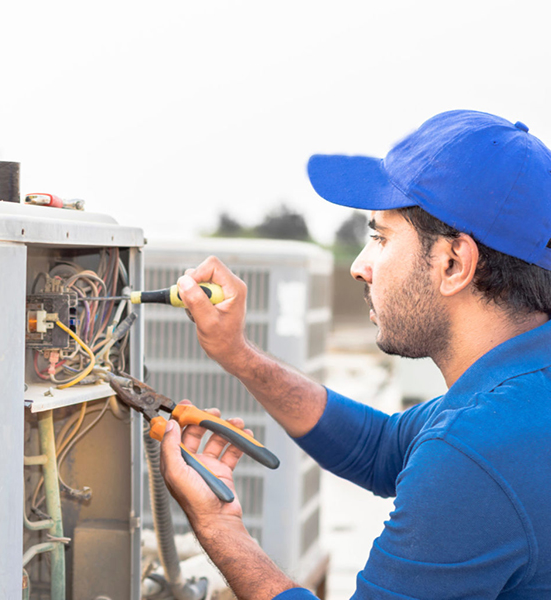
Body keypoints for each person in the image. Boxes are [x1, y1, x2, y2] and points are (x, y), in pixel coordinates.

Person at [159, 110, 551, 599]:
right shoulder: (522, 386)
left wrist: (216, 524)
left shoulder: (480, 447)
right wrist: (240, 355)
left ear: (454, 262)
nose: (361, 267)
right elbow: (380, 447)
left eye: (381, 238)